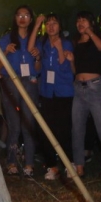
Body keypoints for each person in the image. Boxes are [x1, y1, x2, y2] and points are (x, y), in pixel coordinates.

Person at [29, 13, 75, 181]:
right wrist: (36, 25)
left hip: (64, 92)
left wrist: (60, 47)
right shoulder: (43, 43)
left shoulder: (67, 42)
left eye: (54, 23)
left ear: (60, 26)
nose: (51, 26)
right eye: (48, 23)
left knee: (63, 131)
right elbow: (30, 49)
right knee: (45, 131)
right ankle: (52, 166)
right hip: (47, 92)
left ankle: (70, 164)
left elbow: (64, 63)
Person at [0, 6, 40, 177]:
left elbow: (38, 68)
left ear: (31, 19)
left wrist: (37, 57)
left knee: (28, 123)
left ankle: (29, 163)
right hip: (11, 82)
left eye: (26, 15)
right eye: (20, 15)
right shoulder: (6, 40)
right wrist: (6, 52)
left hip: (30, 82)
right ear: (15, 18)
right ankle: (12, 162)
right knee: (14, 125)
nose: (23, 18)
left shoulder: (35, 39)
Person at [69, 11, 101, 177]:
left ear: (91, 22)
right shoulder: (76, 43)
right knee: (77, 128)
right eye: (78, 20)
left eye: (84, 20)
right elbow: (76, 70)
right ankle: (79, 166)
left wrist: (90, 32)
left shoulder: (98, 38)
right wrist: (71, 61)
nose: (80, 23)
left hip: (95, 87)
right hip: (79, 88)